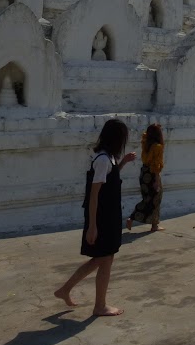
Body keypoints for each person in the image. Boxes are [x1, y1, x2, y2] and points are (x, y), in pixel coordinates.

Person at [55, 119, 137, 316]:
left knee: (102, 259)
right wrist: (92, 225)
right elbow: (94, 195)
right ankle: (99, 305)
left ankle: (66, 290)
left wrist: (123, 162)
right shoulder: (102, 160)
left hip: (109, 215)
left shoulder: (108, 159)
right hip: (102, 217)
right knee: (104, 259)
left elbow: (110, 179)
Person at [126, 123, 166, 233]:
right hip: (152, 174)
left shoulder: (146, 142)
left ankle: (154, 224)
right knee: (155, 198)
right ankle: (134, 218)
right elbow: (156, 165)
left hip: (144, 173)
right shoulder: (157, 147)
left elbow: (144, 135)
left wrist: (152, 128)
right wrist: (157, 180)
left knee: (148, 198)